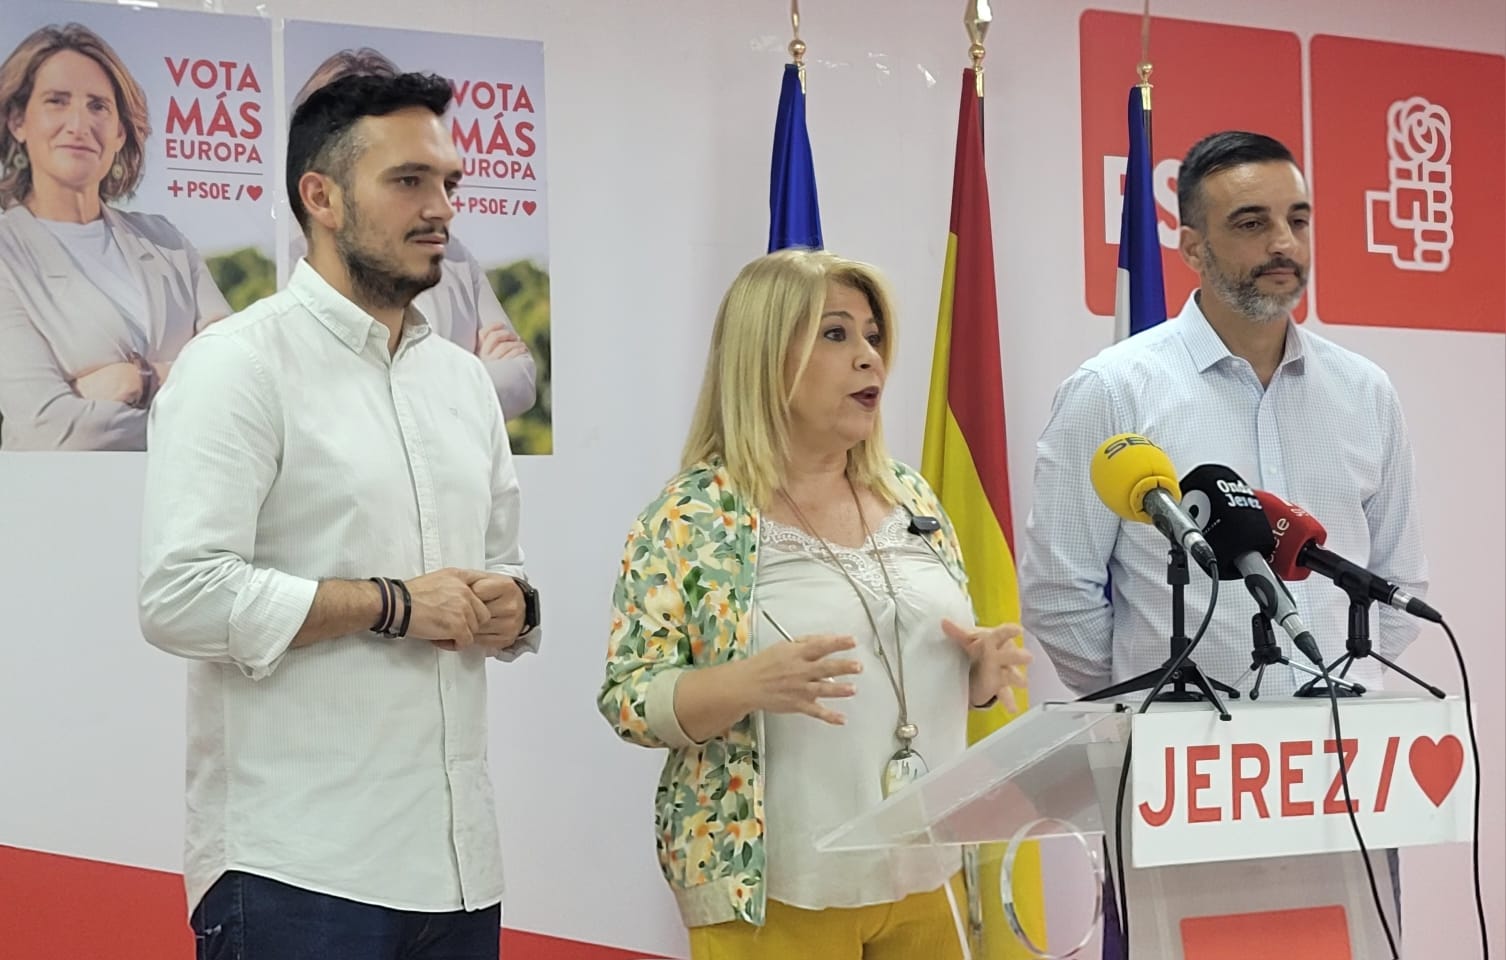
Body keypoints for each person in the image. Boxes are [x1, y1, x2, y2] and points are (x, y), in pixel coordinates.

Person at [137, 71, 541, 960]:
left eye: (449, 183)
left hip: (460, 869)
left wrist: (513, 607)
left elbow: (501, 566)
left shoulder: (463, 381)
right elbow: (180, 598)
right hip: (296, 872)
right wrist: (390, 604)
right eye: (408, 181)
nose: (441, 209)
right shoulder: (237, 365)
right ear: (319, 197)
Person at [598, 248, 1031, 958]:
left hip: (927, 872)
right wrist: (745, 684)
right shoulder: (692, 515)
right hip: (776, 889)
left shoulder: (909, 495)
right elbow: (629, 698)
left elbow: (911, 658)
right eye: (836, 334)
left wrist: (974, 675)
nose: (869, 357)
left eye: (873, 336)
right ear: (765, 357)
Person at [1019, 130, 1428, 700]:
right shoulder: (1112, 390)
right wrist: (1153, 705)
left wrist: (1339, 690)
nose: (1283, 243)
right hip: (1183, 744)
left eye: (1298, 220)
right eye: (1252, 223)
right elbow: (1060, 593)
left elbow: (1397, 582)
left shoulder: (1365, 391)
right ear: (1193, 248)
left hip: (1343, 736)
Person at [0, 22, 230, 450]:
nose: (79, 124)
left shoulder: (166, 242)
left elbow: (240, 378)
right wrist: (195, 407)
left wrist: (136, 380)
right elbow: (49, 430)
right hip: (59, 493)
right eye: (56, 101)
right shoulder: (6, 253)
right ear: (17, 121)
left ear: (120, 132)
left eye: (98, 106)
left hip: (186, 491)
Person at [284, 47, 537, 420]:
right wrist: (474, 377)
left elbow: (520, 379)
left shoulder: (453, 255)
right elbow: (341, 407)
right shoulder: (295, 266)